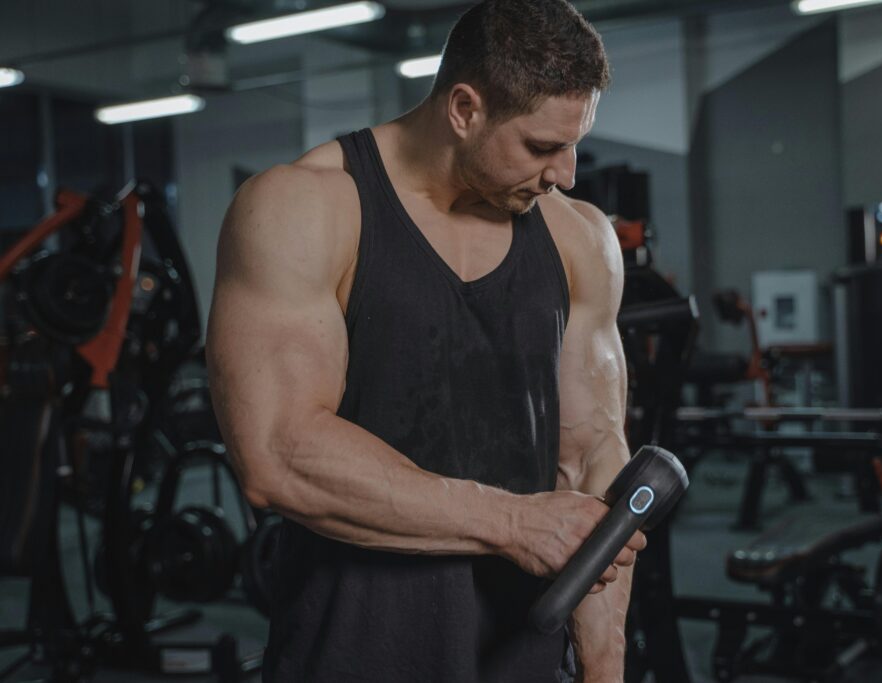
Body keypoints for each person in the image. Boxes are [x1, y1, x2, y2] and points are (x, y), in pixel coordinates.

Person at [206, 1, 645, 680]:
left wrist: (605, 665)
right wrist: (512, 522)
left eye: (573, 143)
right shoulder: (306, 208)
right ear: (465, 109)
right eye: (541, 147)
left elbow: (592, 466)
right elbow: (280, 454)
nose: (567, 173)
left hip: (523, 659)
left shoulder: (579, 237)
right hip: (355, 652)